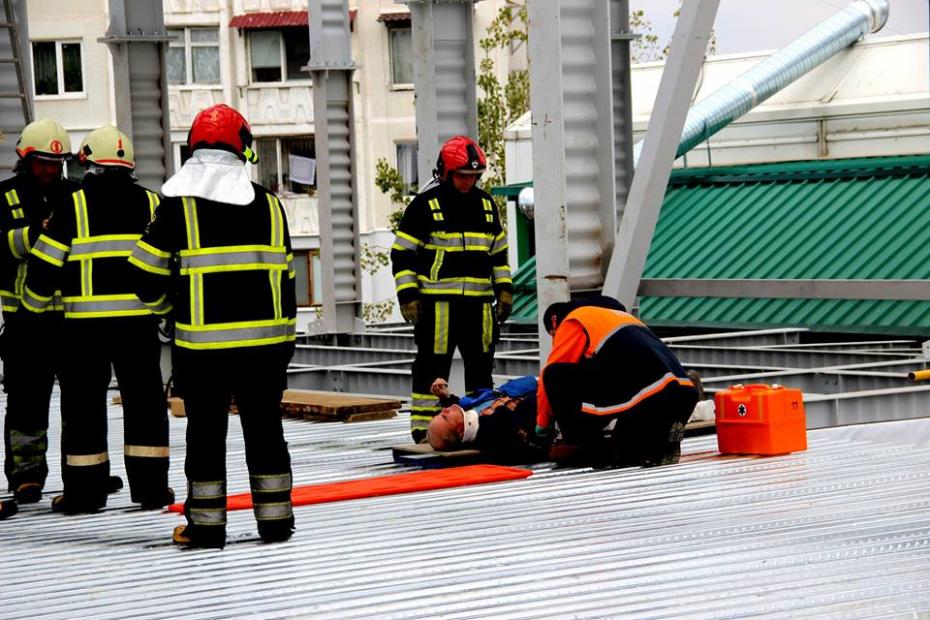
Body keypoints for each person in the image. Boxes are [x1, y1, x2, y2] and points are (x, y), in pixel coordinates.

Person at [129, 104, 296, 549]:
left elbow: (142, 274)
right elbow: (287, 282)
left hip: (204, 353)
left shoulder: (177, 208)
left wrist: (168, 311)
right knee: (266, 433)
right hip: (266, 350)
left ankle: (206, 526)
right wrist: (285, 346)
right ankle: (276, 522)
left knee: (205, 437)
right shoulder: (271, 206)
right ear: (242, 150)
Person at [22, 125, 173, 513]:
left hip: (84, 330)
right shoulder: (153, 204)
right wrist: (165, 312)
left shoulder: (73, 205)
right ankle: (152, 490)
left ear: (87, 163)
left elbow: (44, 268)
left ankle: (85, 494)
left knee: (83, 410)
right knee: (145, 405)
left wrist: (31, 312)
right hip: (138, 326)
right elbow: (168, 266)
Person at [390, 136, 513, 442]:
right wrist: (408, 296)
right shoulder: (424, 206)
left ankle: (479, 425)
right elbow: (402, 254)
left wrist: (505, 290)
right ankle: (424, 429)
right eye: (462, 175)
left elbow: (499, 255)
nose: (468, 181)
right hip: (438, 307)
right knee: (431, 367)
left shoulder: (487, 206)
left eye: (473, 176)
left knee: (481, 370)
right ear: (445, 172)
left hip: (480, 307)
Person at [0, 119, 77, 519]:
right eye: (43, 162)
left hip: (71, 318)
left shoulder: (76, 195)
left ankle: (81, 474)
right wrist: (35, 234)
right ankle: (26, 475)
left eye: (56, 163)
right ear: (26, 159)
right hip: (24, 321)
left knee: (79, 402)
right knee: (26, 401)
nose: (50, 169)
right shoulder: (4, 197)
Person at [535, 296, 699, 467]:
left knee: (555, 374)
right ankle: (668, 441)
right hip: (678, 393)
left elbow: (549, 375)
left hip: (649, 393)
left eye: (554, 335)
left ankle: (581, 448)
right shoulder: (622, 319)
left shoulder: (575, 319)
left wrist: (543, 424)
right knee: (624, 453)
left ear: (554, 320)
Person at [426, 375, 549, 464]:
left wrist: (445, 398)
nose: (444, 409)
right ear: (460, 430)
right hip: (545, 391)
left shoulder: (471, 420)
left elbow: (458, 416)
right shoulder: (494, 427)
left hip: (532, 387)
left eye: (439, 413)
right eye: (444, 416)